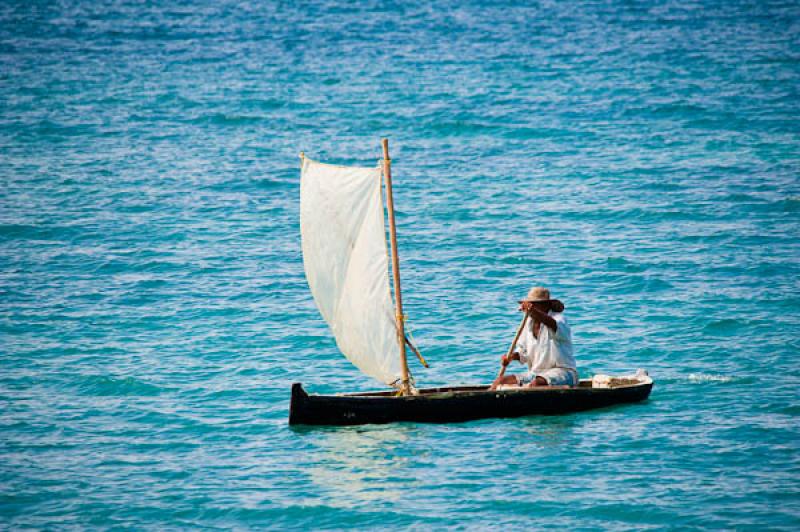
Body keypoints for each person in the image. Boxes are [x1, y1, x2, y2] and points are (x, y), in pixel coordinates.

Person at [490, 286, 577, 389]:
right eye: (530, 305)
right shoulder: (528, 324)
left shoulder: (559, 319)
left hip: (563, 373)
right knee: (500, 381)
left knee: (536, 385)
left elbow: (552, 324)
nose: (530, 310)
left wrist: (533, 311)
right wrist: (511, 357)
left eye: (534, 305)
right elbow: (523, 353)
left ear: (546, 305)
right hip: (536, 373)